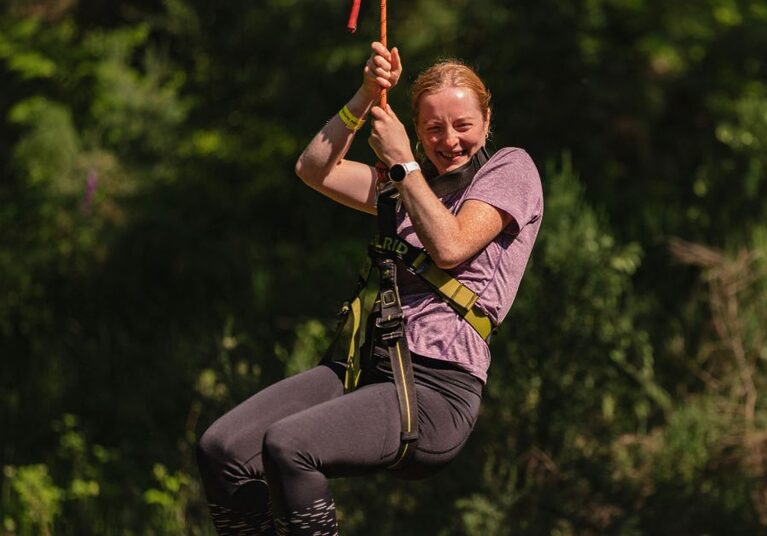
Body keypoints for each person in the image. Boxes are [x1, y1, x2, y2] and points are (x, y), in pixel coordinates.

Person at [195, 41, 544, 536]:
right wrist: (363, 96)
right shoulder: (404, 186)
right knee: (223, 448)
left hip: (435, 389)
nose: (450, 140)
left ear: (487, 122)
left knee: (289, 446)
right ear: (419, 133)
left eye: (463, 126)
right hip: (367, 367)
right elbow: (314, 169)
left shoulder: (509, 169)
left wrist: (403, 163)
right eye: (433, 129)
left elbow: (450, 246)